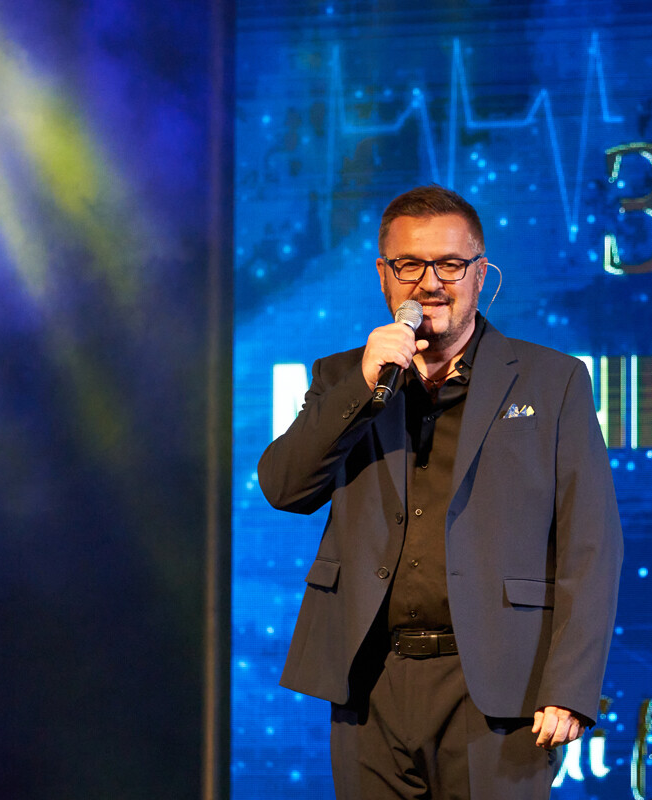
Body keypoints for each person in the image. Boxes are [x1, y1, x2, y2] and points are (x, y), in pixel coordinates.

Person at [258, 185, 623, 798]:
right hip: (369, 678)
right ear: (384, 274)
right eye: (410, 264)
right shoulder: (343, 376)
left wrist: (569, 687)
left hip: (499, 684)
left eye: (450, 265)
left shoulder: (552, 380)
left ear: (480, 274)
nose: (430, 283)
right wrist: (362, 385)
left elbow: (592, 544)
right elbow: (285, 487)